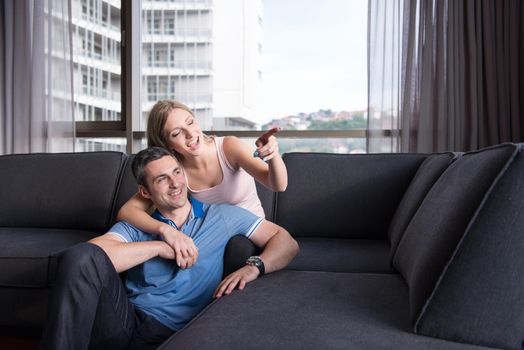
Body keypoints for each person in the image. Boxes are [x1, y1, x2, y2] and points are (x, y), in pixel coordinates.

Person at [40, 147, 299, 350]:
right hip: (124, 321)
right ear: (146, 192)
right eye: (162, 179)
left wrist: (254, 267)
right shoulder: (139, 227)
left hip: (170, 331)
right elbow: (89, 258)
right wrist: (158, 246)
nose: (175, 184)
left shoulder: (223, 216)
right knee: (78, 255)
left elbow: (285, 241)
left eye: (176, 172)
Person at [117, 100, 288, 269]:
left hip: (248, 233)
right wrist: (166, 230)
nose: (190, 134)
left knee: (237, 249)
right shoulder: (175, 171)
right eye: (177, 133)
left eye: (190, 122)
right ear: (167, 143)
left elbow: (278, 185)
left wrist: (272, 156)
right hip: (211, 237)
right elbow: (127, 211)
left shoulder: (228, 147)